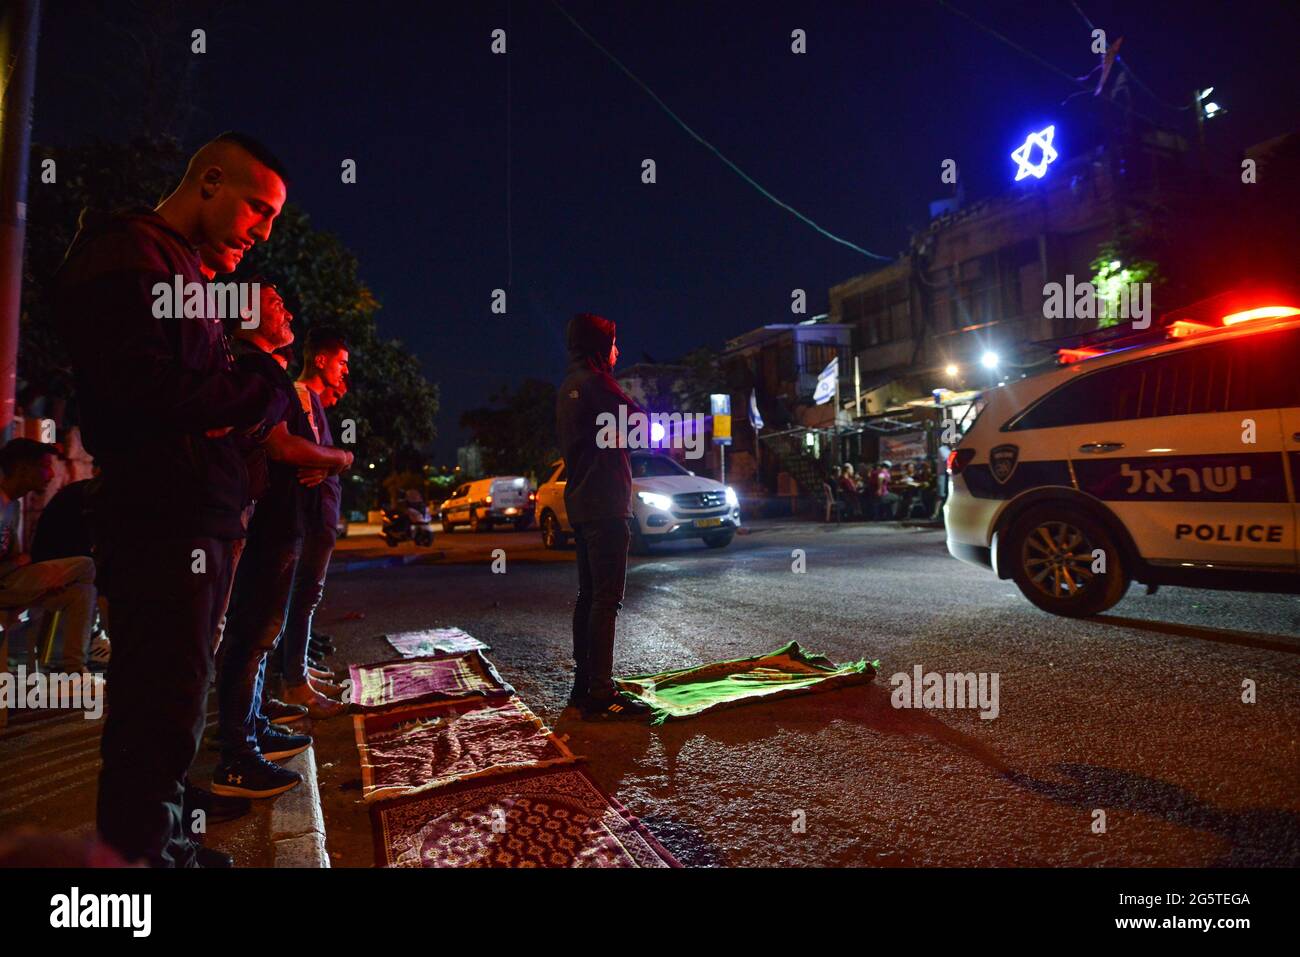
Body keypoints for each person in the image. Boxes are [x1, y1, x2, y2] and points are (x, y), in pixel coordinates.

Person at [54, 131, 286, 868]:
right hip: (160, 523)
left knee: (176, 702)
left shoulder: (180, 270)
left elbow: (186, 393)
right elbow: (142, 393)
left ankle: (163, 844)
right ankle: (135, 868)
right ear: (210, 181)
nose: (263, 231)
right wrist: (262, 386)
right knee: (156, 707)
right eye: (258, 208)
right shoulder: (127, 251)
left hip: (194, 519)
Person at [215, 284, 353, 799]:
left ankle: (250, 729)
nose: (288, 311)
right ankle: (236, 753)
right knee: (250, 634)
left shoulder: (260, 369)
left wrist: (317, 459)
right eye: (275, 304)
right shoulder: (253, 369)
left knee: (258, 632)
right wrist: (336, 459)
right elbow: (280, 446)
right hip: (264, 521)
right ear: (246, 318)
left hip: (273, 520)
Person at [556, 313, 652, 720]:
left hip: (581, 503)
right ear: (599, 346)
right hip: (607, 504)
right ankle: (601, 692)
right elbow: (641, 428)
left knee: (589, 596)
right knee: (606, 599)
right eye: (614, 343)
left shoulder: (569, 387)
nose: (619, 351)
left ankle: (583, 684)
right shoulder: (598, 384)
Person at [278, 328, 351, 718]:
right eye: (341, 362)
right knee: (300, 597)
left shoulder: (314, 401)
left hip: (318, 514)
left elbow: (319, 459)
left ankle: (298, 672)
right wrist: (340, 458)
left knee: (305, 598)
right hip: (307, 516)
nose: (344, 371)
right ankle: (294, 682)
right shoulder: (301, 394)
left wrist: (329, 461)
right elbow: (310, 456)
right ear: (320, 360)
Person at [0, 440, 96, 674]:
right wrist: (19, 564)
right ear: (23, 469)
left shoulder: (12, 507)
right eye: (44, 466)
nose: (52, 474)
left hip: (10, 583)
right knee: (85, 565)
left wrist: (39, 581)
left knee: (81, 593)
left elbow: (20, 559)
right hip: (4, 583)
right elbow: (17, 561)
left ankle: (73, 669)